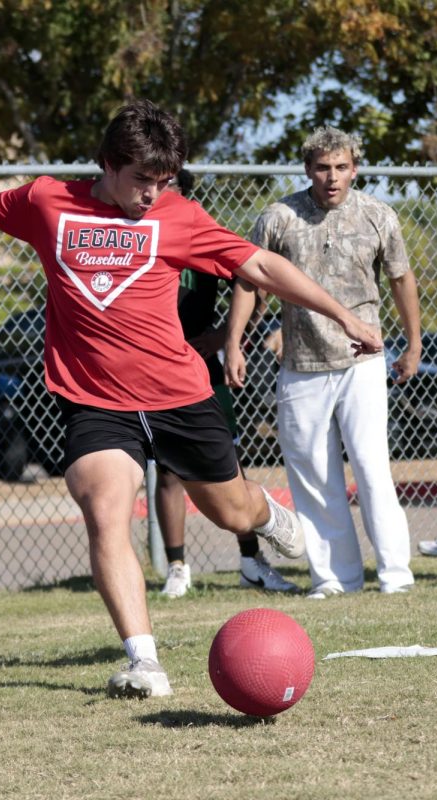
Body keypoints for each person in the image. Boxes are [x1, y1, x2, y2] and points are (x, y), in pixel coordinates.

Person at [0, 99, 383, 699]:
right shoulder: (48, 201)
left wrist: (341, 314)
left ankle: (267, 514)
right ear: (107, 164)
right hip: (94, 399)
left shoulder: (178, 215)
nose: (153, 194)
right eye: (141, 180)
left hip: (178, 393)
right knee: (105, 508)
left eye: (163, 181)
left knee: (231, 512)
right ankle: (144, 660)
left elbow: (259, 264)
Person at [225, 126, 421, 599]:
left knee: (372, 467)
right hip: (301, 363)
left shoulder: (378, 215)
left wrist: (413, 342)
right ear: (307, 169)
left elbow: (400, 278)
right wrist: (235, 343)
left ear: (354, 168)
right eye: (321, 168)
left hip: (363, 363)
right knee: (313, 474)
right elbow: (249, 282)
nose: (331, 177)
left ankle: (395, 575)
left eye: (340, 167)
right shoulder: (278, 217)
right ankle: (335, 579)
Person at [155, 169, 297, 598]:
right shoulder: (127, 235)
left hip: (197, 366)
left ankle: (252, 560)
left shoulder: (199, 233)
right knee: (166, 472)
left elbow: (250, 277)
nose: (156, 195)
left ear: (183, 195)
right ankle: (177, 566)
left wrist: (227, 338)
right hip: (147, 369)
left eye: (167, 186)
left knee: (226, 464)